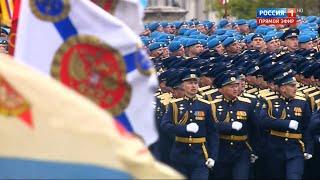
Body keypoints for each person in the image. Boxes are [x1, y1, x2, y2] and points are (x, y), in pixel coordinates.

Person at [161, 69, 219, 179]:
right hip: (179, 154)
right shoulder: (174, 105)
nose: (193, 86)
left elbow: (213, 132)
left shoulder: (206, 105)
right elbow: (165, 126)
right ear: (183, 85)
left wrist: (213, 156)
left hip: (200, 155)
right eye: (190, 83)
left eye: (195, 83)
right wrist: (184, 128)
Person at [260, 70, 313, 179]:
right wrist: (286, 124)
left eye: (295, 86)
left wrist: (308, 148)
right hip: (275, 147)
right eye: (292, 86)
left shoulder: (302, 102)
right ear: (283, 88)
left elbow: (307, 127)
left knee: (294, 176)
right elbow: (263, 121)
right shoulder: (269, 101)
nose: (295, 89)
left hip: (295, 147)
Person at [210, 71, 258, 180]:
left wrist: (254, 150)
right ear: (221, 89)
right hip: (221, 149)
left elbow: (254, 128)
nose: (235, 89)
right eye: (231, 86)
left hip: (242, 149)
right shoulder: (213, 105)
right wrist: (228, 126)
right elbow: (211, 127)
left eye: (236, 86)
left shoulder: (247, 104)